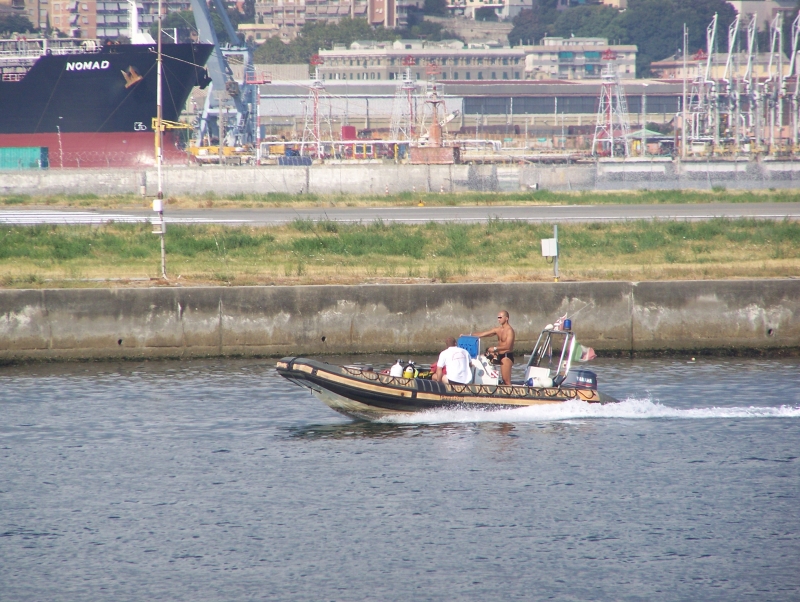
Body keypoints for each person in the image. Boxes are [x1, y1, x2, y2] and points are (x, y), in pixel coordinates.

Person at [472, 310, 516, 385]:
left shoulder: (510, 331)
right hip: (499, 355)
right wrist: (468, 335)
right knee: (483, 357)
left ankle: (512, 395)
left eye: (500, 317)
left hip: (506, 356)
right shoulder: (498, 329)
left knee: (506, 381)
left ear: (506, 318)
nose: (498, 319)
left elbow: (508, 346)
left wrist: (495, 348)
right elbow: (483, 334)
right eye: (498, 318)